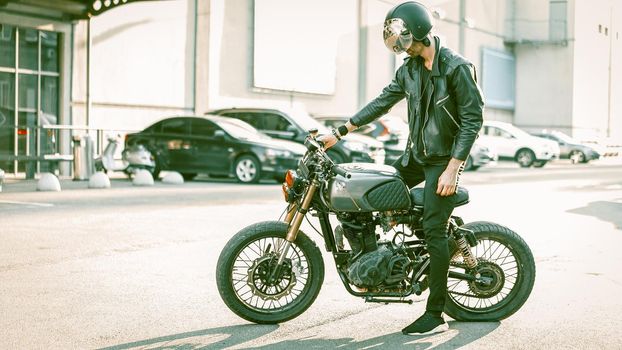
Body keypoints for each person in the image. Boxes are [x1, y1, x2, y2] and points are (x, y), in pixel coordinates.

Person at [320, 1, 484, 335]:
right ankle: (380, 258)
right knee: (371, 192)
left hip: (443, 161)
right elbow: (382, 102)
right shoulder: (409, 69)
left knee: (434, 230)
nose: (401, 47)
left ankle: (435, 312)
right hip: (415, 157)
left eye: (404, 38)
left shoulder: (456, 67)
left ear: (418, 31)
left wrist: (455, 166)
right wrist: (339, 132)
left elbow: (472, 120)